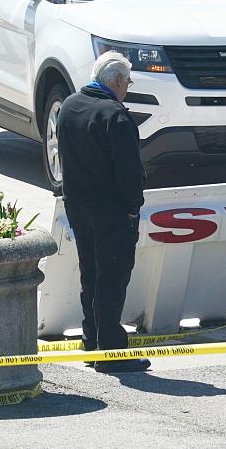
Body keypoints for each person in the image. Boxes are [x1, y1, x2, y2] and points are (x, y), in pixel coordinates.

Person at [57, 51, 150, 373]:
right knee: (112, 279)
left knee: (91, 274)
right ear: (119, 81)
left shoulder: (69, 106)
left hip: (78, 206)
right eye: (128, 82)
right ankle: (110, 351)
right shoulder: (116, 116)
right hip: (111, 211)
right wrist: (133, 208)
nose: (127, 88)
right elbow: (129, 172)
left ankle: (91, 341)